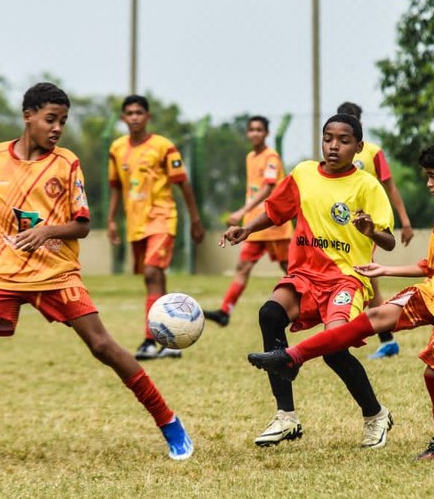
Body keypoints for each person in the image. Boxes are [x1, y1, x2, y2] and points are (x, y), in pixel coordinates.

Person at [0, 83, 193, 468]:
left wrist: (47, 231)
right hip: (4, 268)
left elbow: (83, 225)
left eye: (63, 121)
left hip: (56, 271)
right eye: (51, 119)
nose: (57, 128)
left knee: (103, 346)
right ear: (27, 116)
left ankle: (168, 420)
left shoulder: (66, 163)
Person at [248, 136, 434, 460]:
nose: (427, 183)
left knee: (433, 372)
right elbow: (431, 267)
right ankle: (292, 358)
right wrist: (385, 270)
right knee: (374, 318)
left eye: (432, 176)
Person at [221, 113, 396, 449]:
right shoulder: (302, 174)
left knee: (334, 347)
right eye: (328, 138)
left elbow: (388, 241)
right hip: (304, 275)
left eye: (344, 140)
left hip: (346, 279)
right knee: (269, 315)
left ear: (358, 147)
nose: (334, 145)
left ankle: (375, 415)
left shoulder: (367, 186)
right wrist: (247, 228)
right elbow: (275, 211)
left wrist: (371, 229)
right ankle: (286, 417)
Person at [107, 94, 205, 360]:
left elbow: (183, 183)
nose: (135, 117)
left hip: (162, 217)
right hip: (135, 222)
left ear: (148, 117)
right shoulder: (117, 149)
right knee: (154, 277)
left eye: (140, 112)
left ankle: (149, 341)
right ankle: (170, 338)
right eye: (129, 113)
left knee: (152, 272)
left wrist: (195, 220)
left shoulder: (163, 146)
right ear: (123, 118)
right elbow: (115, 187)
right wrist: (111, 220)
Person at [335, 102, 412, 360]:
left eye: (351, 120)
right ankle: (386, 339)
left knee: (362, 278)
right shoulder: (334, 150)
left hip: (364, 227)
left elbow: (390, 188)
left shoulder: (373, 153)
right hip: (340, 227)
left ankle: (348, 333)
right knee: (370, 284)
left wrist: (405, 221)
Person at [204, 115, 291, 327]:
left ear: (267, 133)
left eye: (259, 130)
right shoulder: (250, 157)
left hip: (273, 224)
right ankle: (225, 311)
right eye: (251, 129)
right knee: (243, 266)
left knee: (290, 268)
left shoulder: (271, 157)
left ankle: (309, 304)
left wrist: (241, 211)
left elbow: (268, 188)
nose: (255, 133)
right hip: (253, 226)